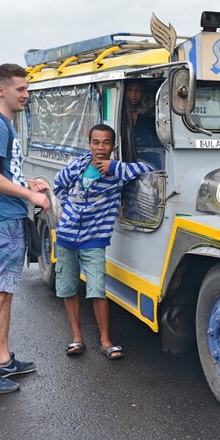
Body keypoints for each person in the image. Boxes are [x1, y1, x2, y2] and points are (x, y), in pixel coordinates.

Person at [0, 63, 51, 394]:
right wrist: (30, 194)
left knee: (4, 292)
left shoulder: (3, 126)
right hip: (0, 220)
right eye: (20, 89)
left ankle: (1, 360)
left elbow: (2, 174)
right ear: (0, 90)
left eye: (27, 89)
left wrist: (27, 182)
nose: (26, 95)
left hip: (8, 218)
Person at [52, 124, 154, 359]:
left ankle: (105, 340)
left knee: (97, 290)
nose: (100, 147)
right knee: (68, 289)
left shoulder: (117, 172)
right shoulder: (78, 165)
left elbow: (148, 169)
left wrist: (115, 166)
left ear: (113, 146)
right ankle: (77, 337)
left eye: (106, 143)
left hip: (94, 240)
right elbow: (58, 184)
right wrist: (67, 208)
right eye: (96, 142)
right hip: (67, 236)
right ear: (89, 144)